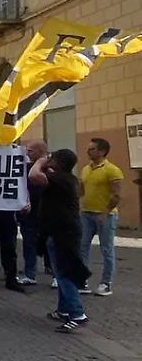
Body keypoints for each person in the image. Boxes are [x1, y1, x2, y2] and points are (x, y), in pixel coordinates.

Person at [30, 149, 90, 333]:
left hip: (63, 232)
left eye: (52, 157)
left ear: (59, 162)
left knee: (64, 273)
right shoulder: (66, 179)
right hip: (61, 230)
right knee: (61, 270)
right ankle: (64, 310)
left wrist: (41, 160)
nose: (50, 159)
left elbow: (34, 175)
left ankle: (77, 314)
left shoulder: (62, 179)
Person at [79, 137, 123, 296]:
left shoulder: (112, 170)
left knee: (106, 249)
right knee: (82, 247)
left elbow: (117, 195)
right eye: (88, 148)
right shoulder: (85, 169)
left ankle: (106, 283)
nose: (88, 151)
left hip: (105, 215)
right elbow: (81, 192)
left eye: (92, 149)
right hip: (86, 213)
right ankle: (82, 280)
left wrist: (105, 213)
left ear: (102, 151)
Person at [16, 139, 49, 285]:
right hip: (29, 213)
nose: (27, 153)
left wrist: (41, 162)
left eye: (30, 151)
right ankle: (30, 273)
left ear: (41, 152)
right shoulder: (25, 167)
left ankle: (54, 274)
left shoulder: (49, 168)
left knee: (49, 244)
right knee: (28, 243)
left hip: (46, 212)